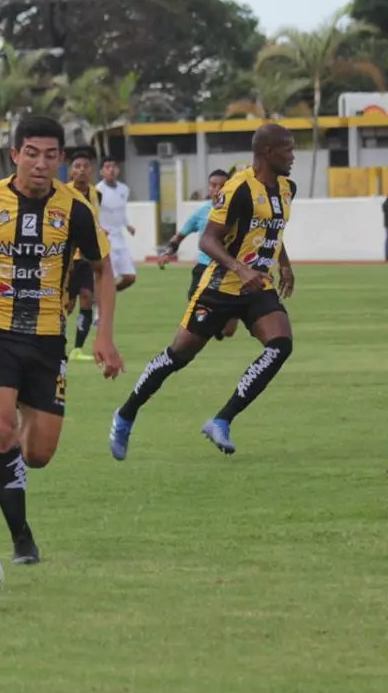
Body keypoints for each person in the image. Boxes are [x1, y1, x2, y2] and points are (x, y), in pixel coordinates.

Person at [0, 116, 124, 565]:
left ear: (61, 159)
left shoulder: (76, 209)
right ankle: (22, 540)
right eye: (31, 154)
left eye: (50, 155)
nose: (41, 164)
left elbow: (102, 270)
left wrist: (105, 336)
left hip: (47, 340)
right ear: (15, 155)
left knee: (38, 454)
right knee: (5, 433)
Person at [110, 123, 297, 459]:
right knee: (177, 357)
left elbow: (273, 228)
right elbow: (207, 240)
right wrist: (240, 269)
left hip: (257, 286)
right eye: (288, 149)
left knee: (280, 345)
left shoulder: (287, 188)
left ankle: (222, 420)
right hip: (220, 287)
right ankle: (125, 413)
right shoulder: (239, 188)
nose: (293, 156)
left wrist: (283, 263)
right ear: (269, 152)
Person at [159, 168, 238, 340]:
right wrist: (168, 252)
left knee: (230, 330)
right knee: (197, 317)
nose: (217, 189)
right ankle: (179, 346)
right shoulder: (202, 212)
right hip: (204, 267)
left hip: (229, 269)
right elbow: (179, 236)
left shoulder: (238, 212)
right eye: (213, 185)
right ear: (208, 188)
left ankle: (218, 324)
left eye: (222, 185)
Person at [65, 149, 105, 361]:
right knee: (66, 304)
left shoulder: (96, 194)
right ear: (71, 171)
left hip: (88, 257)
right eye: (77, 166)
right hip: (68, 258)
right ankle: (54, 343)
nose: (81, 171)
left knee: (87, 299)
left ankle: (78, 349)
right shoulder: (62, 193)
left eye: (86, 167)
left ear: (91, 170)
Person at [96, 156, 137, 291]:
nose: (111, 170)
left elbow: (121, 210)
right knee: (108, 277)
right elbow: (93, 213)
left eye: (113, 166)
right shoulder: (98, 191)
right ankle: (101, 303)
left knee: (130, 277)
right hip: (106, 240)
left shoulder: (124, 189)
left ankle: (108, 294)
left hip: (120, 238)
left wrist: (127, 225)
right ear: (102, 171)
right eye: (107, 167)